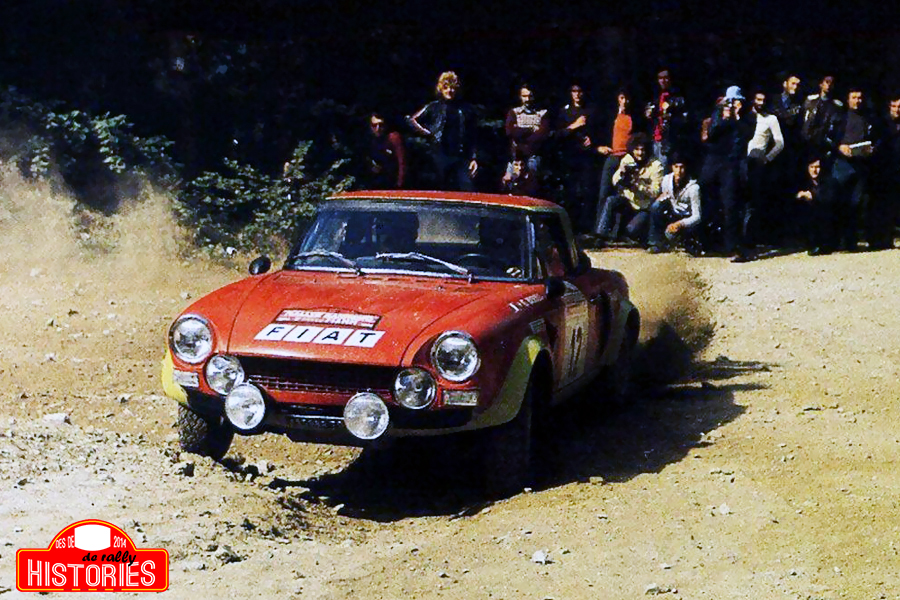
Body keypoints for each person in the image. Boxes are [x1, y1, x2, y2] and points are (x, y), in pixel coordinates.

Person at [700, 85, 757, 261]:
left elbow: (747, 135)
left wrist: (737, 118)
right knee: (708, 199)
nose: (733, 104)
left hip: (732, 164)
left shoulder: (748, 116)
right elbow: (711, 135)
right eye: (730, 101)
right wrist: (724, 119)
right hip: (714, 161)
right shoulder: (719, 112)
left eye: (736, 101)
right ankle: (709, 243)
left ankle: (735, 247)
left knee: (731, 205)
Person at [408, 71, 479, 191]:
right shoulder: (434, 106)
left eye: (452, 87)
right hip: (440, 154)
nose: (449, 91)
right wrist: (427, 132)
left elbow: (472, 135)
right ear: (441, 89)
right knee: (441, 188)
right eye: (446, 87)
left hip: (461, 156)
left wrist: (474, 158)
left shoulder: (466, 109)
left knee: (466, 187)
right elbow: (412, 120)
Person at [594, 133, 663, 244]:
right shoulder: (627, 160)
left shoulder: (656, 165)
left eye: (643, 150)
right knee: (611, 200)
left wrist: (638, 185)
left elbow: (655, 192)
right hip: (628, 202)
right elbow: (614, 181)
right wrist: (622, 173)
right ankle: (600, 235)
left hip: (643, 207)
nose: (640, 153)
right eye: (637, 149)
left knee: (631, 230)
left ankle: (635, 234)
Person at [830, 85, 874, 251]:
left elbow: (874, 137)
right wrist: (839, 147)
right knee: (838, 201)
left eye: (859, 98)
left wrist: (872, 148)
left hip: (861, 163)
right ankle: (834, 240)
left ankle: (851, 241)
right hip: (842, 163)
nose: (857, 101)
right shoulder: (840, 116)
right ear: (848, 100)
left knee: (856, 203)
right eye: (854, 98)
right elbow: (828, 137)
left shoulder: (868, 117)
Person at [555, 83, 598, 231]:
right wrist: (575, 125)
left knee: (587, 191)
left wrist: (593, 140)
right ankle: (571, 226)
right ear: (570, 93)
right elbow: (558, 134)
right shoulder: (565, 111)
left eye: (579, 91)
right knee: (570, 191)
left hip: (587, 156)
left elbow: (599, 131)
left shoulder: (590, 110)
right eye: (574, 91)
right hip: (570, 155)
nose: (577, 94)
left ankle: (586, 227)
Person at [746, 90, 785, 246]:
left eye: (763, 100)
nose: (760, 103)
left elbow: (780, 143)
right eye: (758, 99)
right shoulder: (745, 117)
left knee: (755, 201)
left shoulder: (771, 119)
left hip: (757, 162)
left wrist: (768, 158)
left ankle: (754, 238)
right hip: (741, 161)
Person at [594, 89, 635, 229]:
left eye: (627, 99)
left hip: (627, 157)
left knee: (622, 195)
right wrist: (599, 146)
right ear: (618, 99)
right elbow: (600, 131)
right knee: (604, 193)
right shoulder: (611, 114)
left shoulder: (634, 116)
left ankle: (616, 232)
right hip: (612, 155)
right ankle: (599, 230)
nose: (625, 102)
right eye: (622, 98)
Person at [647, 154, 702, 255]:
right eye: (676, 167)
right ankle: (656, 243)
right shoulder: (666, 180)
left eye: (682, 167)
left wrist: (679, 224)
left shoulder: (694, 188)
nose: (679, 171)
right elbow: (664, 199)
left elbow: (697, 216)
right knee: (656, 206)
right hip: (672, 214)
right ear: (672, 167)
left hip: (686, 219)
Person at [868, 93, 900, 249]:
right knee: (882, 205)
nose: (897, 110)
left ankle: (889, 237)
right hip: (884, 169)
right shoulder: (882, 124)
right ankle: (879, 239)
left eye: (899, 107)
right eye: (894, 106)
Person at [645, 68, 689, 169]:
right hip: (655, 139)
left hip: (669, 141)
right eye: (660, 78)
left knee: (664, 168)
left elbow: (684, 119)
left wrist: (671, 118)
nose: (663, 81)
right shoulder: (655, 97)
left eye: (665, 78)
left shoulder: (677, 97)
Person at [505, 83, 550, 178]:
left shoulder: (542, 113)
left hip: (534, 155)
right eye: (524, 96)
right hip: (516, 156)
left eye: (530, 96)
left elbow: (542, 135)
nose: (527, 99)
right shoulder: (514, 112)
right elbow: (510, 131)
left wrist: (520, 133)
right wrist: (531, 129)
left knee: (532, 179)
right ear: (520, 97)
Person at [795, 155, 837, 255]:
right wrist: (800, 195)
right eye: (812, 167)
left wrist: (813, 196)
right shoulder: (803, 182)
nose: (814, 170)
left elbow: (829, 198)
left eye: (817, 167)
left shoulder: (829, 181)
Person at [802, 75, 842, 155]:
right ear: (821, 84)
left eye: (831, 83)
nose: (829, 85)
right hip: (807, 141)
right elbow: (804, 120)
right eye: (827, 82)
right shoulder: (810, 100)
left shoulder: (837, 105)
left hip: (824, 143)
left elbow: (836, 126)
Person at [364, 113, 406, 189]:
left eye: (380, 125)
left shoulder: (393, 138)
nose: (378, 128)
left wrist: (399, 185)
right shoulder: (371, 141)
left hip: (394, 184)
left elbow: (402, 163)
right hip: (377, 183)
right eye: (374, 125)